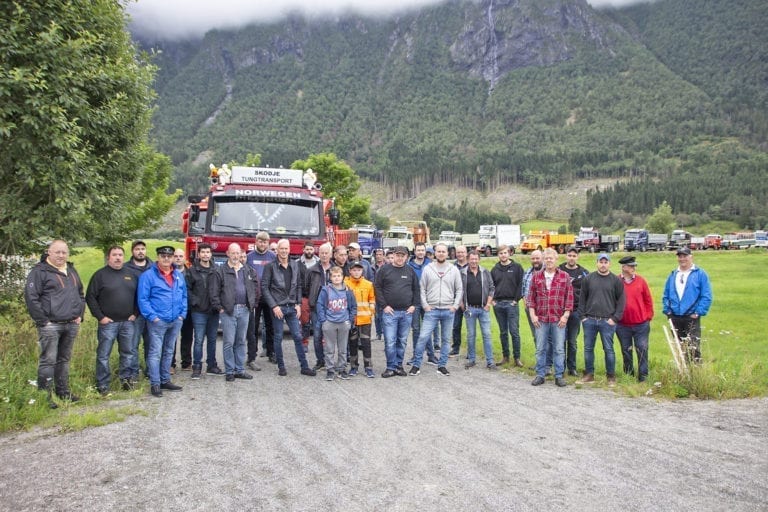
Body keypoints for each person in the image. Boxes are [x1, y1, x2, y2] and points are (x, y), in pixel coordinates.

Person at [25, 240, 85, 405]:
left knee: (64, 359)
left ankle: (63, 392)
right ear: (49, 252)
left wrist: (79, 314)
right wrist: (43, 321)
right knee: (48, 360)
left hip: (71, 323)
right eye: (57, 252)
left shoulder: (71, 270)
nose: (61, 255)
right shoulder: (39, 271)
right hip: (50, 325)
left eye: (64, 252)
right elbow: (31, 297)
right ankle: (46, 397)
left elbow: (80, 293)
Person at [85, 246, 138, 395]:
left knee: (128, 353)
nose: (118, 258)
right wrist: (100, 317)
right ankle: (102, 384)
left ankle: (126, 380)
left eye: (120, 255)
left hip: (128, 323)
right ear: (109, 257)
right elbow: (90, 297)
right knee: (103, 355)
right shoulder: (100, 275)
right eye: (114, 255)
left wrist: (136, 313)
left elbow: (139, 296)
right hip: (108, 324)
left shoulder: (131, 275)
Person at [261, 239, 316, 377]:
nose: (284, 251)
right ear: (277, 250)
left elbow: (298, 286)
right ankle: (281, 366)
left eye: (286, 248)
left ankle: (304, 366)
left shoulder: (294, 265)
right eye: (281, 249)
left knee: (298, 336)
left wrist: (297, 303)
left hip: (292, 306)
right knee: (278, 337)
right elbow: (265, 288)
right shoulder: (270, 266)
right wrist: (274, 306)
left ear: (289, 249)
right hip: (278, 308)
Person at [137, 246, 187, 397]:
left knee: (169, 352)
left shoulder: (178, 275)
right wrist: (153, 317)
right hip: (157, 321)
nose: (166, 258)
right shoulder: (148, 276)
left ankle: (165, 380)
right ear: (158, 257)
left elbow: (184, 295)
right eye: (163, 255)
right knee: (155, 353)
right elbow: (143, 299)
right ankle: (155, 383)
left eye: (169, 256)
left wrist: (182, 314)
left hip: (175, 320)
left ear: (172, 258)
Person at [409, 243, 463, 377]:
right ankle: (416, 365)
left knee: (445, 340)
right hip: (431, 310)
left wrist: (455, 306)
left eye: (443, 251)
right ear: (434, 253)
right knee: (422, 337)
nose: (441, 254)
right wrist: (425, 305)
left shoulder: (453, 269)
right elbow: (422, 289)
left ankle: (442, 365)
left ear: (447, 253)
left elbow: (459, 289)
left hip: (448, 310)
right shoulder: (428, 269)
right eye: (438, 251)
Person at [210, 243, 260, 382]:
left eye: (238, 253)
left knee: (240, 341)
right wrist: (220, 308)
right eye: (233, 253)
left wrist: (253, 304)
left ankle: (240, 370)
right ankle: (230, 371)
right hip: (228, 311)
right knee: (229, 342)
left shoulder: (247, 270)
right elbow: (214, 292)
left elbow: (255, 288)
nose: (236, 256)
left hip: (245, 310)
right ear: (227, 254)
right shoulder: (220, 271)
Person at [527, 248, 574, 387]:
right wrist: (532, 315)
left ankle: (558, 375)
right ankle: (540, 374)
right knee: (541, 348)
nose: (548, 260)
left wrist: (565, 316)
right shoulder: (536, 277)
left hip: (558, 319)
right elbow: (531, 298)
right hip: (541, 319)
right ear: (543, 260)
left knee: (559, 348)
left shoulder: (564, 276)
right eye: (546, 258)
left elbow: (569, 298)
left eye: (551, 258)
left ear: (556, 259)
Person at [577, 253, 625, 387]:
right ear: (597, 263)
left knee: (609, 349)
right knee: (588, 348)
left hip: (607, 322)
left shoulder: (616, 281)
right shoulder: (588, 279)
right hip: (590, 320)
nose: (603, 265)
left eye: (606, 262)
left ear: (609, 264)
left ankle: (611, 376)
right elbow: (582, 299)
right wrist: (583, 317)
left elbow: (621, 302)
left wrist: (615, 319)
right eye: (601, 262)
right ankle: (589, 374)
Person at [662, 247, 713, 364]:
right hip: (674, 316)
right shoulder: (673, 275)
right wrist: (667, 310)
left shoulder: (700, 274)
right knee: (679, 347)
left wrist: (698, 312)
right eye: (680, 256)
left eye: (685, 256)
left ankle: (695, 374)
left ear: (691, 257)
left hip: (691, 316)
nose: (682, 259)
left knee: (693, 347)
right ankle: (682, 372)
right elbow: (666, 294)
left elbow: (706, 295)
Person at [374, 246, 419, 377]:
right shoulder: (384, 270)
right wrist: (384, 306)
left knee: (402, 340)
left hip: (406, 312)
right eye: (398, 255)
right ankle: (390, 367)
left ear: (406, 257)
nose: (400, 258)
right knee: (390, 341)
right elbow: (377, 287)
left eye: (403, 256)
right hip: (390, 313)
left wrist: (414, 305)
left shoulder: (410, 271)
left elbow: (416, 289)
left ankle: (399, 365)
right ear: (393, 255)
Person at [185, 243, 223, 379]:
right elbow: (187, 289)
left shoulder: (217, 269)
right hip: (198, 311)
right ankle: (197, 367)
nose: (206, 254)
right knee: (199, 339)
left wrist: (219, 305)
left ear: (211, 254)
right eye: (203, 252)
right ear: (199, 254)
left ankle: (212, 365)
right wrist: (195, 301)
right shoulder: (192, 270)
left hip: (213, 311)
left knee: (212, 339)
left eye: (208, 252)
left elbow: (222, 288)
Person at [616, 256, 654, 382]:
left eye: (634, 266)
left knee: (642, 349)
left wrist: (648, 316)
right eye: (631, 266)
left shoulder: (641, 281)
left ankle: (643, 376)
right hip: (622, 324)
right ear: (624, 267)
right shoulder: (616, 281)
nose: (634, 268)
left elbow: (648, 300)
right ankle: (629, 375)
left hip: (641, 324)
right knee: (626, 350)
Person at [317, 266, 357, 380]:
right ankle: (330, 369)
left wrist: (349, 320)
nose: (336, 278)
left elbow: (353, 306)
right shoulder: (326, 290)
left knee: (343, 348)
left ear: (343, 277)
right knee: (329, 348)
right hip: (329, 322)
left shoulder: (348, 290)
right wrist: (323, 321)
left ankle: (341, 369)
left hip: (343, 322)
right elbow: (320, 305)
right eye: (334, 276)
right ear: (330, 277)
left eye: (338, 276)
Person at [490, 244, 525, 367]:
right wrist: (493, 301)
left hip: (512, 304)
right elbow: (491, 286)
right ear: (498, 255)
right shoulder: (495, 270)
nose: (503, 255)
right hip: (498, 305)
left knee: (514, 332)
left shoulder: (517, 268)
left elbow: (521, 284)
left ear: (509, 253)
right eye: (500, 253)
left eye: (505, 253)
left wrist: (516, 300)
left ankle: (517, 358)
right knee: (503, 332)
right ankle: (505, 356)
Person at [461, 251, 496, 370]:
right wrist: (462, 305)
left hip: (483, 309)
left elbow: (492, 288)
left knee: (487, 334)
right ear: (468, 259)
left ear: (479, 259)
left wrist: (488, 304)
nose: (474, 261)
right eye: (471, 259)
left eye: (476, 259)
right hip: (470, 308)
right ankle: (471, 359)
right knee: (471, 335)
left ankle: (490, 361)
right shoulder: (463, 273)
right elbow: (458, 290)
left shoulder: (485, 272)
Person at [558, 247, 589, 376]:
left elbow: (588, 292)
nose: (571, 258)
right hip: (560, 311)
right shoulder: (558, 270)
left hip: (576, 311)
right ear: (566, 256)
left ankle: (572, 367)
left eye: (574, 256)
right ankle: (561, 367)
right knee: (560, 340)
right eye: (569, 255)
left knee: (572, 341)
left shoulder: (584, 273)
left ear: (578, 257)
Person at [246, 231, 276, 365]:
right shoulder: (249, 257)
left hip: (269, 296)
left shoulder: (273, 256)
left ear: (268, 243)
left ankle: (271, 352)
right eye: (260, 241)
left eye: (265, 242)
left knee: (270, 326)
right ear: (256, 242)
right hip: (254, 297)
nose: (262, 244)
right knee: (253, 327)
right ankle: (251, 355)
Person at [124, 240, 152, 381]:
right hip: (133, 312)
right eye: (137, 249)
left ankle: (150, 370)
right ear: (132, 251)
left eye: (142, 249)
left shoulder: (153, 267)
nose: (140, 251)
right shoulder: (125, 268)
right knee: (133, 344)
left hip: (151, 312)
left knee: (150, 344)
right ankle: (134, 372)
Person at [407, 242, 437, 365]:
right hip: (415, 302)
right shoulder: (409, 266)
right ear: (415, 251)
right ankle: (416, 355)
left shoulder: (430, 265)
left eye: (422, 250)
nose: (420, 252)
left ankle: (431, 355)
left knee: (428, 329)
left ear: (425, 251)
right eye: (418, 250)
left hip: (428, 302)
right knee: (416, 329)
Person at [345, 260, 376, 377]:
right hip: (352, 319)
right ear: (350, 271)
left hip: (365, 319)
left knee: (366, 343)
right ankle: (353, 367)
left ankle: (368, 367)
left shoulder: (368, 284)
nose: (356, 272)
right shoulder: (345, 283)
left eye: (359, 270)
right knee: (352, 343)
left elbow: (372, 299)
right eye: (354, 270)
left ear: (362, 271)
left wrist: (370, 312)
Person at [307, 243, 333, 371]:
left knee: (331, 337)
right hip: (316, 308)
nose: (323, 255)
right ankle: (320, 361)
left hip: (332, 308)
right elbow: (307, 288)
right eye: (322, 252)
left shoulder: (336, 269)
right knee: (317, 335)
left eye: (326, 253)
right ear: (318, 253)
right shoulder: (312, 270)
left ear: (330, 254)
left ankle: (330, 362)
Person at [172, 248, 194, 373]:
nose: (178, 258)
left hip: (188, 309)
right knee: (172, 337)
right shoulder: (168, 273)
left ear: (185, 258)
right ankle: (171, 364)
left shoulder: (190, 273)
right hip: (173, 310)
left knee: (187, 337)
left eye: (181, 256)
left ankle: (186, 363)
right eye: (176, 256)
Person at [298, 241, 319, 354]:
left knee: (318, 323)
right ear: (303, 250)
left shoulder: (319, 263)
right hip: (304, 296)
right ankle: (304, 343)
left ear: (314, 250)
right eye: (307, 249)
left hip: (317, 297)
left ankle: (321, 344)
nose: (309, 251)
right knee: (305, 322)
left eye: (311, 249)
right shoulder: (297, 263)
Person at [449, 245, 468, 357]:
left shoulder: (471, 265)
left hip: (470, 301)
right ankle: (455, 347)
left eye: (462, 252)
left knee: (471, 327)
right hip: (455, 301)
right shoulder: (452, 267)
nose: (460, 254)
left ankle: (471, 350)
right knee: (456, 325)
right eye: (458, 252)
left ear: (466, 253)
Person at [371, 248, 387, 341]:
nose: (378, 256)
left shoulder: (387, 267)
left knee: (384, 314)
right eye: (377, 254)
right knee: (376, 315)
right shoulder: (372, 267)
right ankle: (378, 333)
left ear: (383, 256)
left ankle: (385, 333)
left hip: (384, 293)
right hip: (374, 293)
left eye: (380, 254)